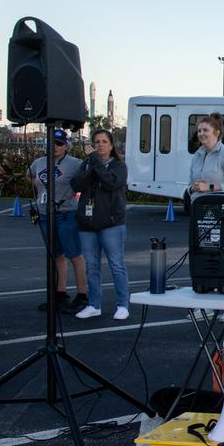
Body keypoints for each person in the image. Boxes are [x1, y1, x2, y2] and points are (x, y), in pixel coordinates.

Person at [71, 129, 131, 321]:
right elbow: (76, 184)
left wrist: (96, 162)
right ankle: (94, 304)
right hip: (87, 224)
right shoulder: (87, 164)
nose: (100, 145)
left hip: (111, 223)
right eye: (96, 142)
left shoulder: (119, 166)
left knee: (117, 265)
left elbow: (110, 183)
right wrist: (91, 165)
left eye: (104, 141)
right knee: (92, 267)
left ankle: (123, 305)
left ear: (111, 145)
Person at [29, 128, 88, 313]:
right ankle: (60, 293)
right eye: (52, 143)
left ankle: (82, 295)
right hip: (45, 214)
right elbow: (30, 176)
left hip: (66, 213)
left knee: (75, 255)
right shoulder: (39, 163)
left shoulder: (75, 163)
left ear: (66, 146)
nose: (55, 147)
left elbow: (85, 180)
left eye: (59, 143)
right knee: (55, 255)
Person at [188, 113, 224, 205]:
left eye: (205, 130)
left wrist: (209, 187)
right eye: (199, 131)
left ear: (217, 133)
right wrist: (193, 188)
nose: (201, 134)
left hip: (219, 210)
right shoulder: (196, 155)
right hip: (197, 209)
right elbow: (189, 185)